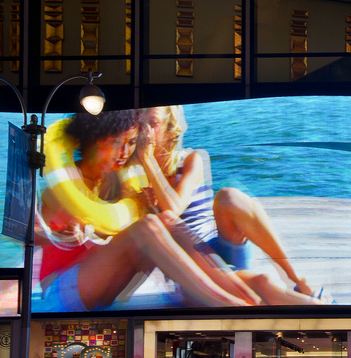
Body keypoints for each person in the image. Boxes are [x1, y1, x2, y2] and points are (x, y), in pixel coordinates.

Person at [134, 106, 331, 303]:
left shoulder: (191, 159)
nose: (146, 132)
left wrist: (148, 158)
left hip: (216, 247)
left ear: (169, 127)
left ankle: (297, 279)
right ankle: (322, 309)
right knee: (260, 283)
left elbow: (173, 207)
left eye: (153, 123)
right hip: (190, 267)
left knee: (228, 196)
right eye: (141, 124)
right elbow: (164, 218)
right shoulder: (134, 172)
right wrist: (146, 162)